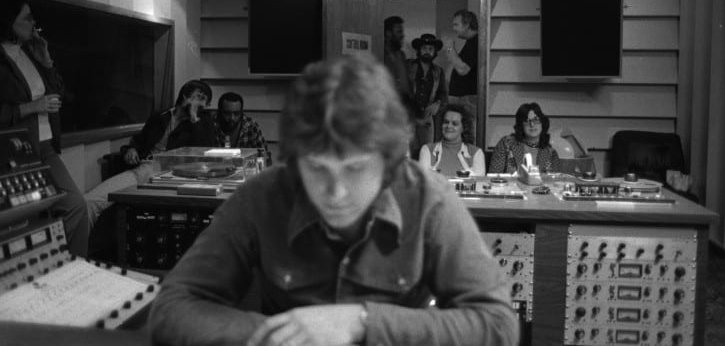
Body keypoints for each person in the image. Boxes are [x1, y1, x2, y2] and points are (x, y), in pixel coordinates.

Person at [149, 53, 518, 346]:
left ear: (390, 162)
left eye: (356, 169)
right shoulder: (262, 196)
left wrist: (362, 322)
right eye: (317, 169)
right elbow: (172, 309)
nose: (336, 192)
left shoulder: (429, 199)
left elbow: (498, 326)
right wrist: (283, 336)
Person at [0, 0, 90, 257]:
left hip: (46, 145)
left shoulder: (29, 51)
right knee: (25, 223)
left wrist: (47, 60)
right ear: (8, 21)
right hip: (15, 152)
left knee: (76, 206)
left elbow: (58, 93)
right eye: (26, 18)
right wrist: (31, 107)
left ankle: (74, 272)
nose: (33, 23)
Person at [85, 80, 216, 228]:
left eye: (205, 100)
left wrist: (194, 119)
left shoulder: (204, 123)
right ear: (185, 96)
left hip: (174, 176)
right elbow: (138, 142)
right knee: (89, 202)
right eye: (198, 97)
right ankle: (79, 250)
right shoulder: (160, 117)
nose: (202, 104)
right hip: (142, 170)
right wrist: (130, 150)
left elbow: (206, 152)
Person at [489, 102, 561, 174]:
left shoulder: (551, 153)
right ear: (521, 125)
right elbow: (494, 177)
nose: (532, 124)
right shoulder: (506, 144)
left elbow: (554, 182)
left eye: (536, 120)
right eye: (526, 121)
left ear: (542, 122)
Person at [406, 33, 447, 159]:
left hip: (427, 117)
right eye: (424, 48)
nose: (427, 52)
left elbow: (443, 94)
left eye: (430, 49)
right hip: (408, 115)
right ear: (419, 50)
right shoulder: (408, 66)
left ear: (435, 52)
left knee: (427, 152)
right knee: (407, 151)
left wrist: (438, 103)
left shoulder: (438, 71)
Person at [419, 104, 486, 177]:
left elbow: (478, 183)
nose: (449, 126)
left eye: (455, 124)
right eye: (446, 122)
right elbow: (423, 181)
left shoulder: (476, 153)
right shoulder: (427, 150)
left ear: (464, 128)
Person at [445, 9, 478, 142]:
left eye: (456, 24)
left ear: (467, 24)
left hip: (467, 101)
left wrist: (449, 48)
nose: (454, 28)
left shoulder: (476, 42)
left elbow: (462, 69)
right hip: (463, 100)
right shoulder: (471, 42)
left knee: (466, 137)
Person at [213, 91, 272, 166]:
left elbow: (264, 155)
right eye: (227, 113)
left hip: (245, 172)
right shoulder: (211, 124)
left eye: (236, 113)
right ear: (220, 112)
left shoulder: (250, 126)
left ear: (241, 112)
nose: (232, 118)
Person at [383, 15, 413, 109]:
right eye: (399, 32)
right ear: (388, 33)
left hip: (403, 108)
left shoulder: (401, 55)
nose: (402, 35)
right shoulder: (379, 53)